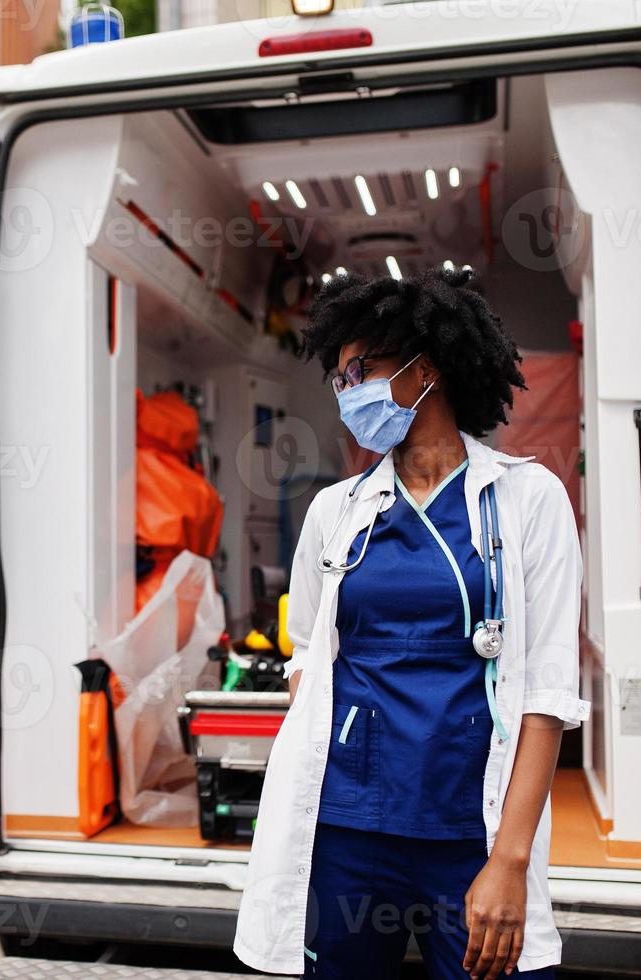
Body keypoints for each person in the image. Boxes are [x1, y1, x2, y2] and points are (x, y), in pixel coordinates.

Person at [233, 268, 589, 979]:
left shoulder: (526, 499)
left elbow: (546, 692)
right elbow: (307, 642)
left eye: (357, 371)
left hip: (468, 828)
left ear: (425, 370)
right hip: (346, 824)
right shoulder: (338, 511)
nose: (345, 394)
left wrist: (509, 862)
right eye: (337, 381)